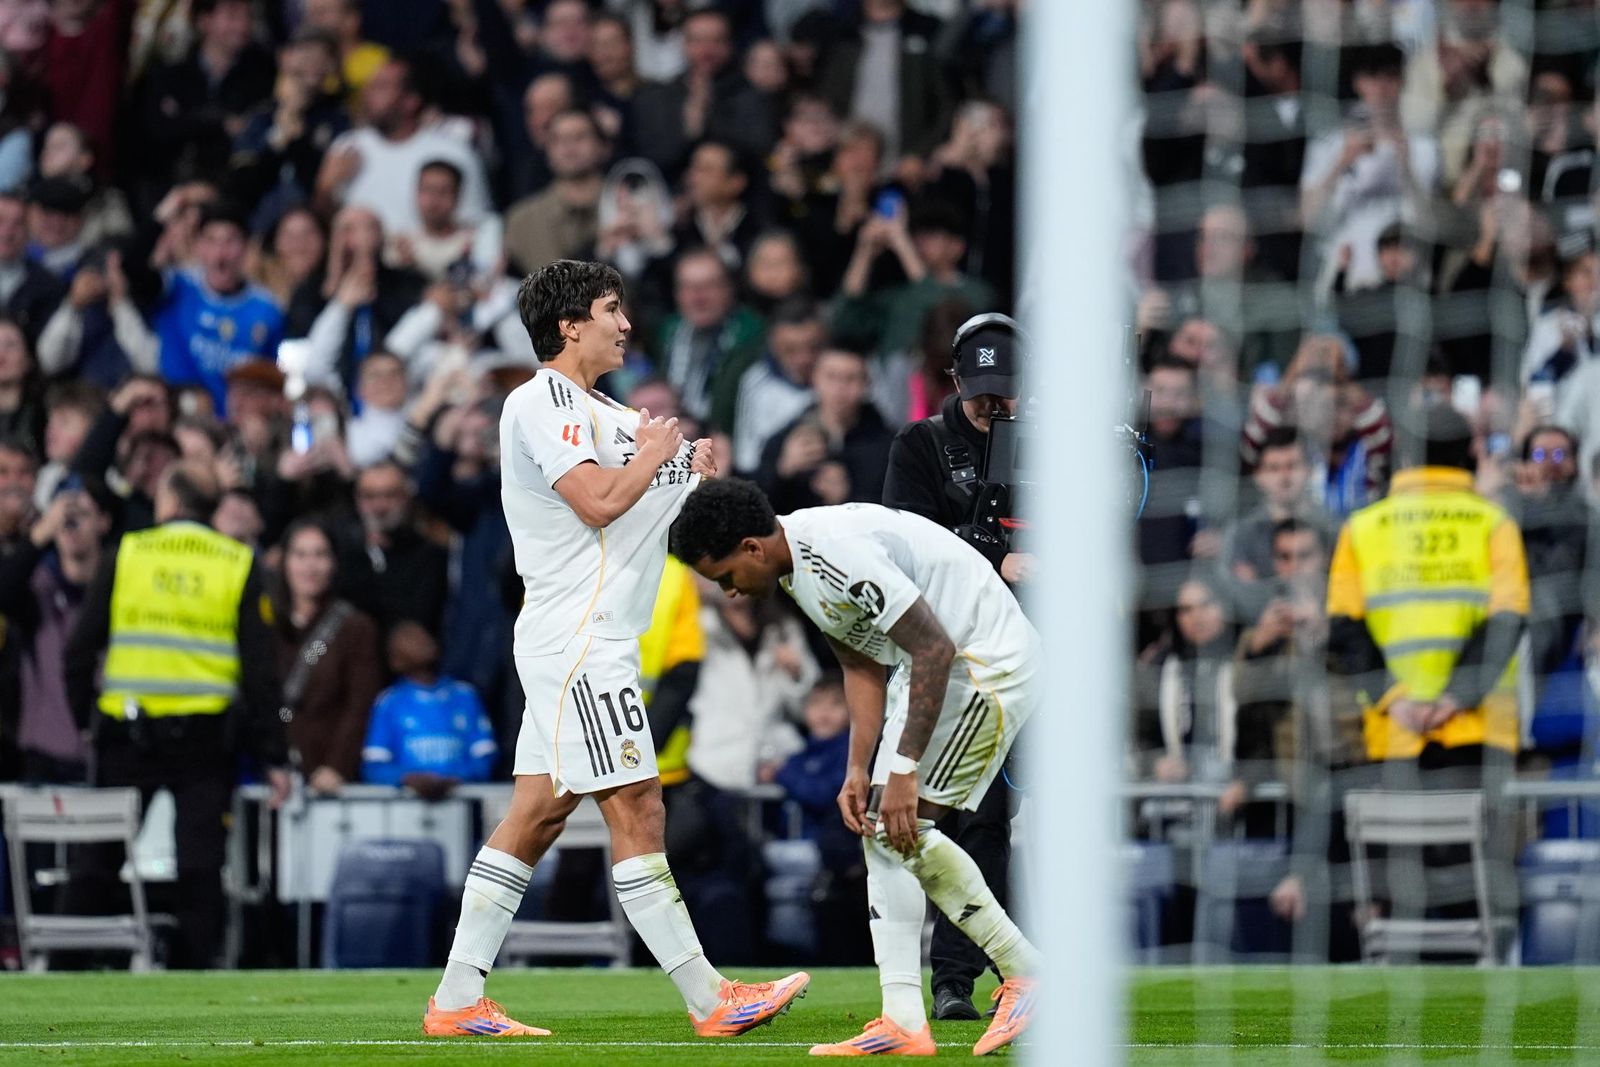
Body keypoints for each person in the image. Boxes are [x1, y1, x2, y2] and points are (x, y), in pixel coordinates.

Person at [423, 259, 807, 1038]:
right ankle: (709, 998)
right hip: (580, 640)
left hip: (586, 639)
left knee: (534, 814)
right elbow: (599, 500)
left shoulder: (603, 410)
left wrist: (692, 469)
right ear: (569, 325)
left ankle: (458, 997)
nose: (626, 323)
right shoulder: (541, 403)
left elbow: (668, 478)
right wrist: (655, 455)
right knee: (638, 804)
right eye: (610, 309)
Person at [671, 478, 1038, 1057]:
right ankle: (903, 1022)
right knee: (884, 833)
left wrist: (906, 769)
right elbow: (861, 661)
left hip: (982, 664)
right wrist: (857, 768)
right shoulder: (796, 567)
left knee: (904, 828)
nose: (732, 593)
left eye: (726, 578)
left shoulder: (834, 554)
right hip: (935, 671)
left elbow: (934, 648)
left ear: (751, 548)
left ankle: (1027, 974)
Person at [62, 461, 291, 968]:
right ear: (211, 507)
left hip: (126, 735)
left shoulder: (129, 552)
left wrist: (87, 722)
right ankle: (193, 981)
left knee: (97, 863)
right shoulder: (236, 560)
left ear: (166, 499)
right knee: (200, 871)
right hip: (205, 742)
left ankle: (62, 970)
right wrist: (272, 754)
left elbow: (79, 650)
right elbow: (260, 671)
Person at [879, 311, 1026, 1019]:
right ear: (956, 381)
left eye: (1008, 391)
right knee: (973, 814)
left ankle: (999, 971)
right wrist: (1000, 555)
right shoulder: (923, 444)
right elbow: (906, 545)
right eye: (984, 393)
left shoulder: (1046, 447)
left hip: (1026, 649)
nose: (995, 406)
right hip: (950, 655)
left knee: (1005, 816)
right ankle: (953, 980)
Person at [270, 519, 384, 795]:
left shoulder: (355, 627)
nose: (310, 566)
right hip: (275, 778)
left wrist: (338, 766)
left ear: (334, 563)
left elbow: (361, 704)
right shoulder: (266, 625)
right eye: (300, 555)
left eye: (320, 555)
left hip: (329, 779)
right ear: (285, 562)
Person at [361, 621, 497, 798]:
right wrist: (408, 779)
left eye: (424, 635)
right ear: (395, 660)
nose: (422, 641)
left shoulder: (464, 695)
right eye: (410, 638)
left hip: (461, 804)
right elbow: (374, 766)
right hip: (406, 809)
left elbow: (485, 756)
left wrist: (455, 778)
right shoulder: (390, 702)